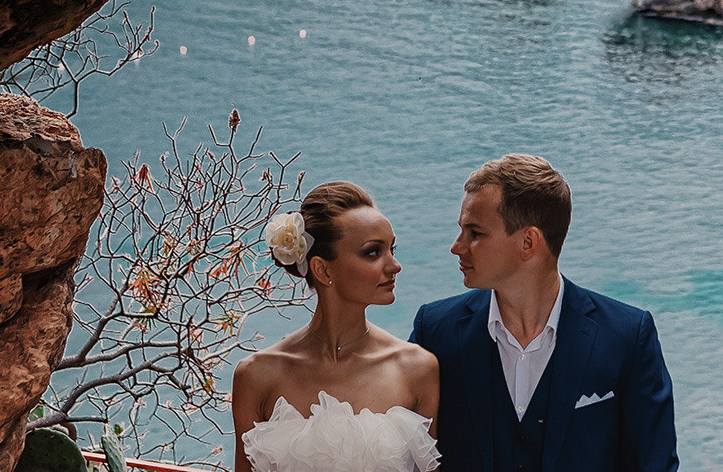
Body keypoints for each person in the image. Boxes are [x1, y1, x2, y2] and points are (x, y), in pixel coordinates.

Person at [409, 156, 676, 472]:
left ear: (528, 242)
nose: (457, 246)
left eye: (475, 233)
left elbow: (653, 465)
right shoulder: (436, 331)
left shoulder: (627, 337)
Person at [235, 182, 443, 472]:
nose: (394, 265)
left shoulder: (417, 369)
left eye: (392, 249)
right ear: (323, 269)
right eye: (373, 252)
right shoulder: (257, 375)